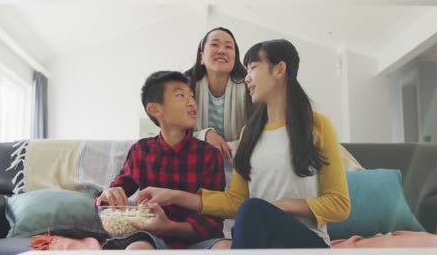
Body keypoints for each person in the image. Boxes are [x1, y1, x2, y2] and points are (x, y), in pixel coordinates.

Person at [136, 39, 351, 249]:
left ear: (279, 70)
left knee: (251, 210)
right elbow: (234, 201)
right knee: (244, 219)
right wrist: (172, 195)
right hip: (265, 241)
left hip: (307, 242)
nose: (246, 78)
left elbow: (339, 204)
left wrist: (281, 206)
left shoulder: (317, 125)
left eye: (253, 68)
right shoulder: (249, 132)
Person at [96, 71, 225, 250]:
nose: (192, 102)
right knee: (136, 249)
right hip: (154, 241)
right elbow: (115, 195)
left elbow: (213, 220)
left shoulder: (210, 155)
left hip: (199, 241)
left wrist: (172, 227)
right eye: (181, 95)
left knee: (227, 248)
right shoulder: (141, 151)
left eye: (192, 96)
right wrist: (108, 195)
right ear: (155, 109)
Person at [185, 27, 253, 162]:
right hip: (194, 166)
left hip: (242, 166)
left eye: (228, 47)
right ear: (201, 57)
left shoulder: (251, 88)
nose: (222, 51)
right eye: (215, 44)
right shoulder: (184, 88)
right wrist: (204, 135)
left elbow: (259, 135)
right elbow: (174, 131)